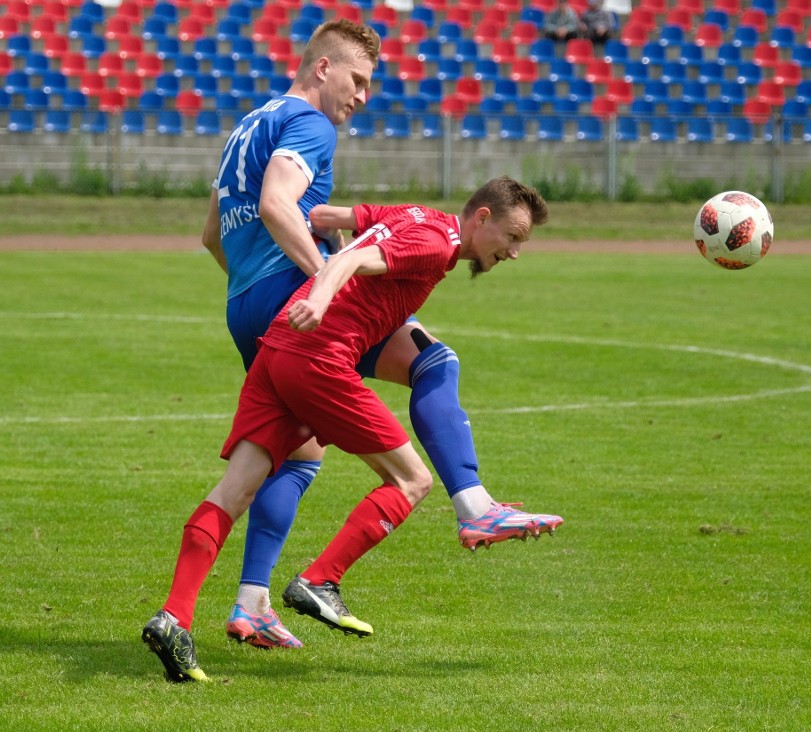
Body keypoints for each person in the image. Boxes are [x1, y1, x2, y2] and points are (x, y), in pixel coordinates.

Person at [199, 21, 564, 651]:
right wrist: (326, 285)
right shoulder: (310, 123)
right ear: (323, 68)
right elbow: (279, 207)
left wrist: (288, 274)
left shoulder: (249, 125)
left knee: (299, 451)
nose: (363, 97)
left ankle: (251, 601)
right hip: (298, 299)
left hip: (246, 300)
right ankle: (472, 505)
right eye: (358, 80)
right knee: (435, 366)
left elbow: (217, 234)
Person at [141, 177, 555, 683]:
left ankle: (173, 618)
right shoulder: (435, 241)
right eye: (513, 238)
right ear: (482, 218)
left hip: (277, 350)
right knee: (412, 481)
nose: (514, 253)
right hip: (319, 356)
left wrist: (336, 254)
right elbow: (350, 260)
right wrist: (321, 298)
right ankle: (321, 580)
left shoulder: (415, 215)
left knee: (235, 490)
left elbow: (327, 219)